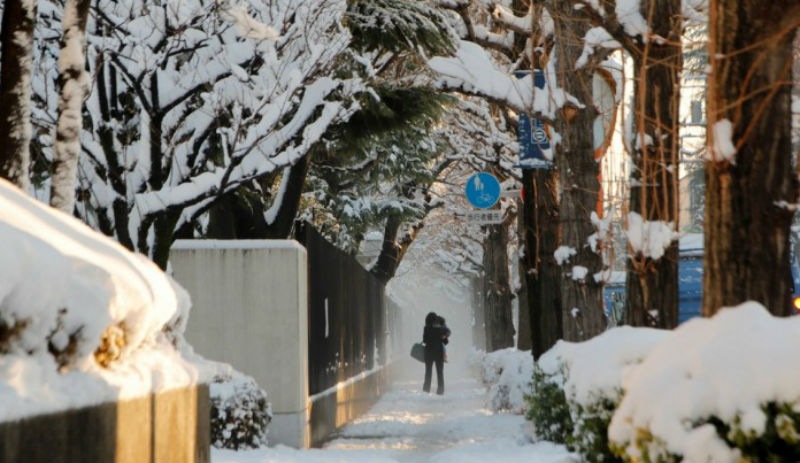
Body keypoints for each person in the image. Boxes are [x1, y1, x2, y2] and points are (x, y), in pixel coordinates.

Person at [422, 312, 451, 395]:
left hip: (428, 353)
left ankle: (426, 389)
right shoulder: (441, 329)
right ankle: (440, 390)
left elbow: (424, 340)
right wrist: (443, 337)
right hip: (438, 352)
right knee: (440, 372)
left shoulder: (426, 328)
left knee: (428, 372)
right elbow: (445, 342)